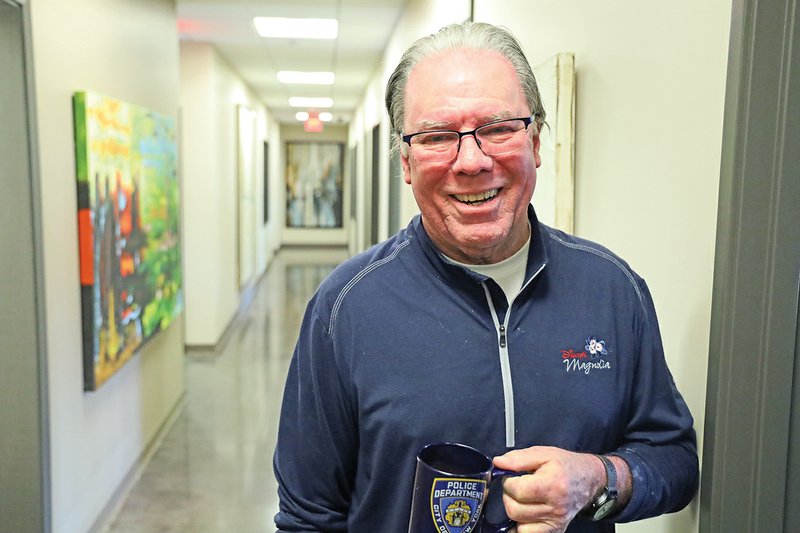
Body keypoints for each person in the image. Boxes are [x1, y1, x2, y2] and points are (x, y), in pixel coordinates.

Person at [273, 21, 698, 533]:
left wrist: (599, 477)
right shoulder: (344, 310)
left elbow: (674, 460)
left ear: (536, 143)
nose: (471, 161)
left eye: (498, 128)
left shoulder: (611, 290)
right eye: (436, 137)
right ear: (406, 163)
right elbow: (307, 516)